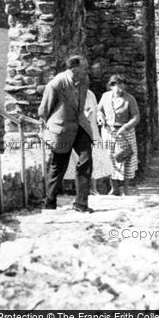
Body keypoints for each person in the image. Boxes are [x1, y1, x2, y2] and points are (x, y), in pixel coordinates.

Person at [38, 55, 94, 213]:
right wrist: (49, 128)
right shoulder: (57, 83)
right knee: (58, 166)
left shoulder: (84, 80)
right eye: (85, 67)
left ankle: (81, 203)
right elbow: (44, 110)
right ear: (74, 69)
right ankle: (50, 202)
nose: (87, 70)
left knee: (86, 160)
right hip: (61, 130)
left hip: (80, 125)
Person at [64, 88, 114, 193]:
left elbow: (96, 110)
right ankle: (77, 190)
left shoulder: (90, 94)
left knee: (94, 158)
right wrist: (83, 117)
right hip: (77, 132)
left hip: (92, 132)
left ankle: (93, 189)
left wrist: (100, 116)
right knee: (77, 160)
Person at [97, 74, 139, 195]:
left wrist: (125, 127)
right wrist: (100, 117)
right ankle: (114, 188)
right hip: (108, 132)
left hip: (125, 133)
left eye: (122, 84)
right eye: (117, 85)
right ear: (111, 86)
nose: (120, 88)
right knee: (110, 158)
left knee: (126, 158)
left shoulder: (129, 99)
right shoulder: (105, 97)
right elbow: (98, 109)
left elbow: (136, 117)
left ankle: (125, 188)